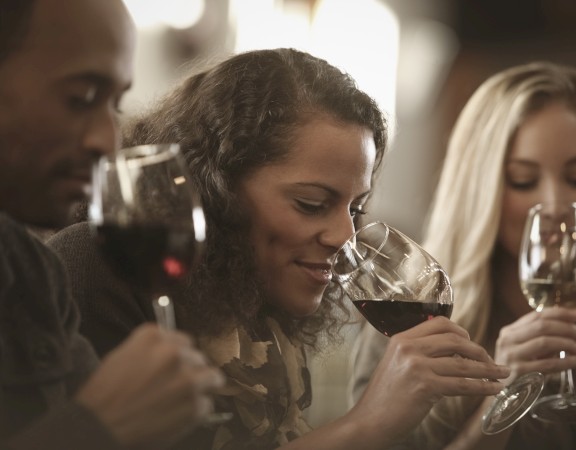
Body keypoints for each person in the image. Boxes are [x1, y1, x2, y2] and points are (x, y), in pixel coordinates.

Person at [48, 47, 510, 449]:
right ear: (216, 189)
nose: (345, 237)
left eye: (356, 207)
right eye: (311, 204)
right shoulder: (96, 268)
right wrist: (367, 425)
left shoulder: (256, 303)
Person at [350, 61, 576, 449]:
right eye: (522, 181)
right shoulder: (406, 339)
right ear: (479, 191)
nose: (555, 204)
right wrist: (504, 395)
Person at [0, 0, 225, 448]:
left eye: (115, 103)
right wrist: (97, 426)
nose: (108, 142)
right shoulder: (71, 263)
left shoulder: (28, 270)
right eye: (81, 98)